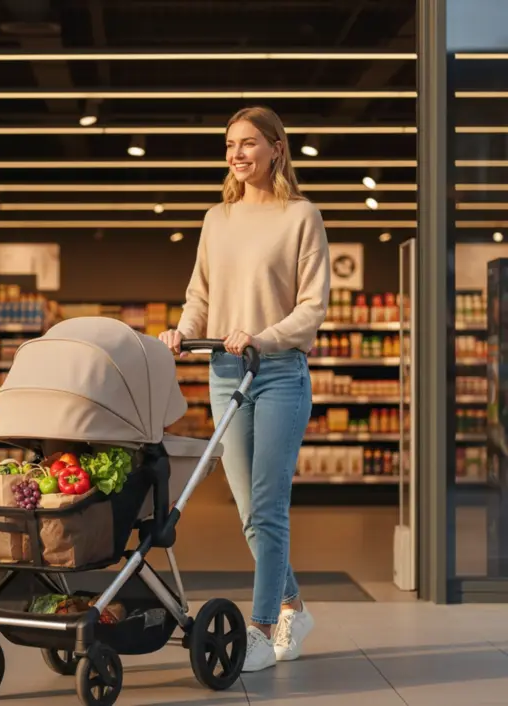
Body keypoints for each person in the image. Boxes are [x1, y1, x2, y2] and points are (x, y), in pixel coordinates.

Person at [159, 106, 330, 672]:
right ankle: (294, 607)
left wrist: (263, 335)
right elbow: (199, 294)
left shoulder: (302, 215)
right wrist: (182, 333)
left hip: (279, 371)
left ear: (277, 148)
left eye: (250, 143)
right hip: (225, 373)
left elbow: (312, 307)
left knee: (269, 506)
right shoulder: (217, 218)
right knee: (248, 511)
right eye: (231, 143)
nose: (237, 153)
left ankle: (260, 630)